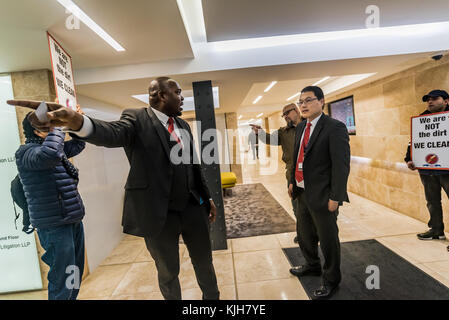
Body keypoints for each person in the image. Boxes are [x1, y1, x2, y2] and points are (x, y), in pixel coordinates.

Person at [8, 77, 220, 300]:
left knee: (205, 262)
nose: (182, 97)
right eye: (177, 92)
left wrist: (208, 198)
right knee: (168, 271)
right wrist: (77, 121)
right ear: (161, 95)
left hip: (193, 207)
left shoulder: (183, 125)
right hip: (159, 213)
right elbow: (110, 133)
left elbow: (194, 165)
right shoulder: (136, 118)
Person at [15, 112, 86, 300]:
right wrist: (58, 127)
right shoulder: (26, 153)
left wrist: (75, 122)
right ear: (38, 132)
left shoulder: (53, 149)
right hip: (54, 225)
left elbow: (78, 144)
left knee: (74, 272)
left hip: (72, 219)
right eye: (51, 125)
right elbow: (50, 155)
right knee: (61, 277)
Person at [288, 86, 350, 300]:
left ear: (321, 102)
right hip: (302, 191)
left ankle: (332, 279)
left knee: (328, 239)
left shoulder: (335, 127)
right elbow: (297, 157)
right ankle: (312, 265)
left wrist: (336, 196)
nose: (303, 105)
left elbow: (341, 166)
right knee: (305, 234)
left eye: (308, 100)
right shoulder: (300, 127)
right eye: (300, 101)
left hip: (324, 195)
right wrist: (292, 182)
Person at [250, 103, 304, 243]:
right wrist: (260, 133)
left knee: (312, 208)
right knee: (297, 207)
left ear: (296, 111)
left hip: (311, 175)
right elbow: (271, 139)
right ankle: (303, 234)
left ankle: (315, 232)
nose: (285, 116)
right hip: (292, 176)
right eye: (283, 115)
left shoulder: (309, 127)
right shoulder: (284, 131)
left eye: (287, 113)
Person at [405, 89, 449, 244]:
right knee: (432, 201)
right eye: (428, 99)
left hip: (447, 170)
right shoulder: (422, 119)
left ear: (446, 101)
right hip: (427, 169)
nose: (430, 102)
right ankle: (436, 230)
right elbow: (414, 141)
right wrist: (409, 159)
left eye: (434, 99)